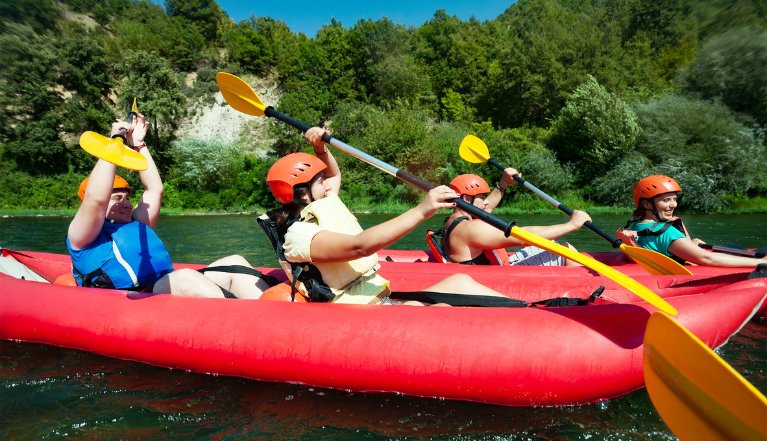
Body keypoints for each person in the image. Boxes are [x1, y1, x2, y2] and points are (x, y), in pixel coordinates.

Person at [260, 127, 516, 305]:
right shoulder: (300, 235)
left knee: (460, 281)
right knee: (439, 311)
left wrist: (320, 149)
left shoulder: (322, 204)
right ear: (302, 194)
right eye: (320, 182)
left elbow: (334, 176)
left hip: (381, 297)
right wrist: (422, 210)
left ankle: (529, 312)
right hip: (360, 313)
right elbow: (360, 246)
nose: (328, 186)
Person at [67, 115, 270, 298]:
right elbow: (96, 199)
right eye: (117, 198)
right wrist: (116, 139)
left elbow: (154, 190)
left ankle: (275, 313)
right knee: (185, 278)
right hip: (132, 297)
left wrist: (139, 145)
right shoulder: (82, 236)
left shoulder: (137, 223)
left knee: (234, 263)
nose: (126, 203)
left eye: (128, 197)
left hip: (162, 288)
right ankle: (245, 326)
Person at [436, 171, 591, 266]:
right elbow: (521, 236)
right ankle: (586, 295)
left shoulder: (454, 219)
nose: (486, 201)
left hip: (500, 267)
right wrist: (571, 225)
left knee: (553, 244)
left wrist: (503, 183)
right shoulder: (471, 229)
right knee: (565, 250)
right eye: (482, 197)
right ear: (466, 199)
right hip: (501, 278)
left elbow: (486, 208)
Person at [614, 174, 766, 268]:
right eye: (666, 200)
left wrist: (690, 244)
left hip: (681, 253)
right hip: (696, 262)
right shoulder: (666, 232)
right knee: (739, 248)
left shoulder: (634, 225)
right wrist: (761, 263)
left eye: (674, 199)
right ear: (647, 204)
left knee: (732, 247)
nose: (673, 204)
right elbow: (706, 259)